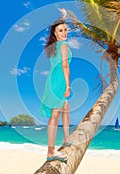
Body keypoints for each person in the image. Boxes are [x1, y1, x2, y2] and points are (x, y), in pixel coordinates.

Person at [39, 13, 72, 162]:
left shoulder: (54, 47)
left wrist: (64, 15)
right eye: (60, 30)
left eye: (65, 30)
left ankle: (66, 138)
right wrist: (68, 85)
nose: (64, 33)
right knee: (55, 115)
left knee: (65, 106)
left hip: (52, 80)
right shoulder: (63, 45)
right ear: (55, 33)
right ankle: (51, 152)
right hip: (58, 81)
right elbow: (65, 65)